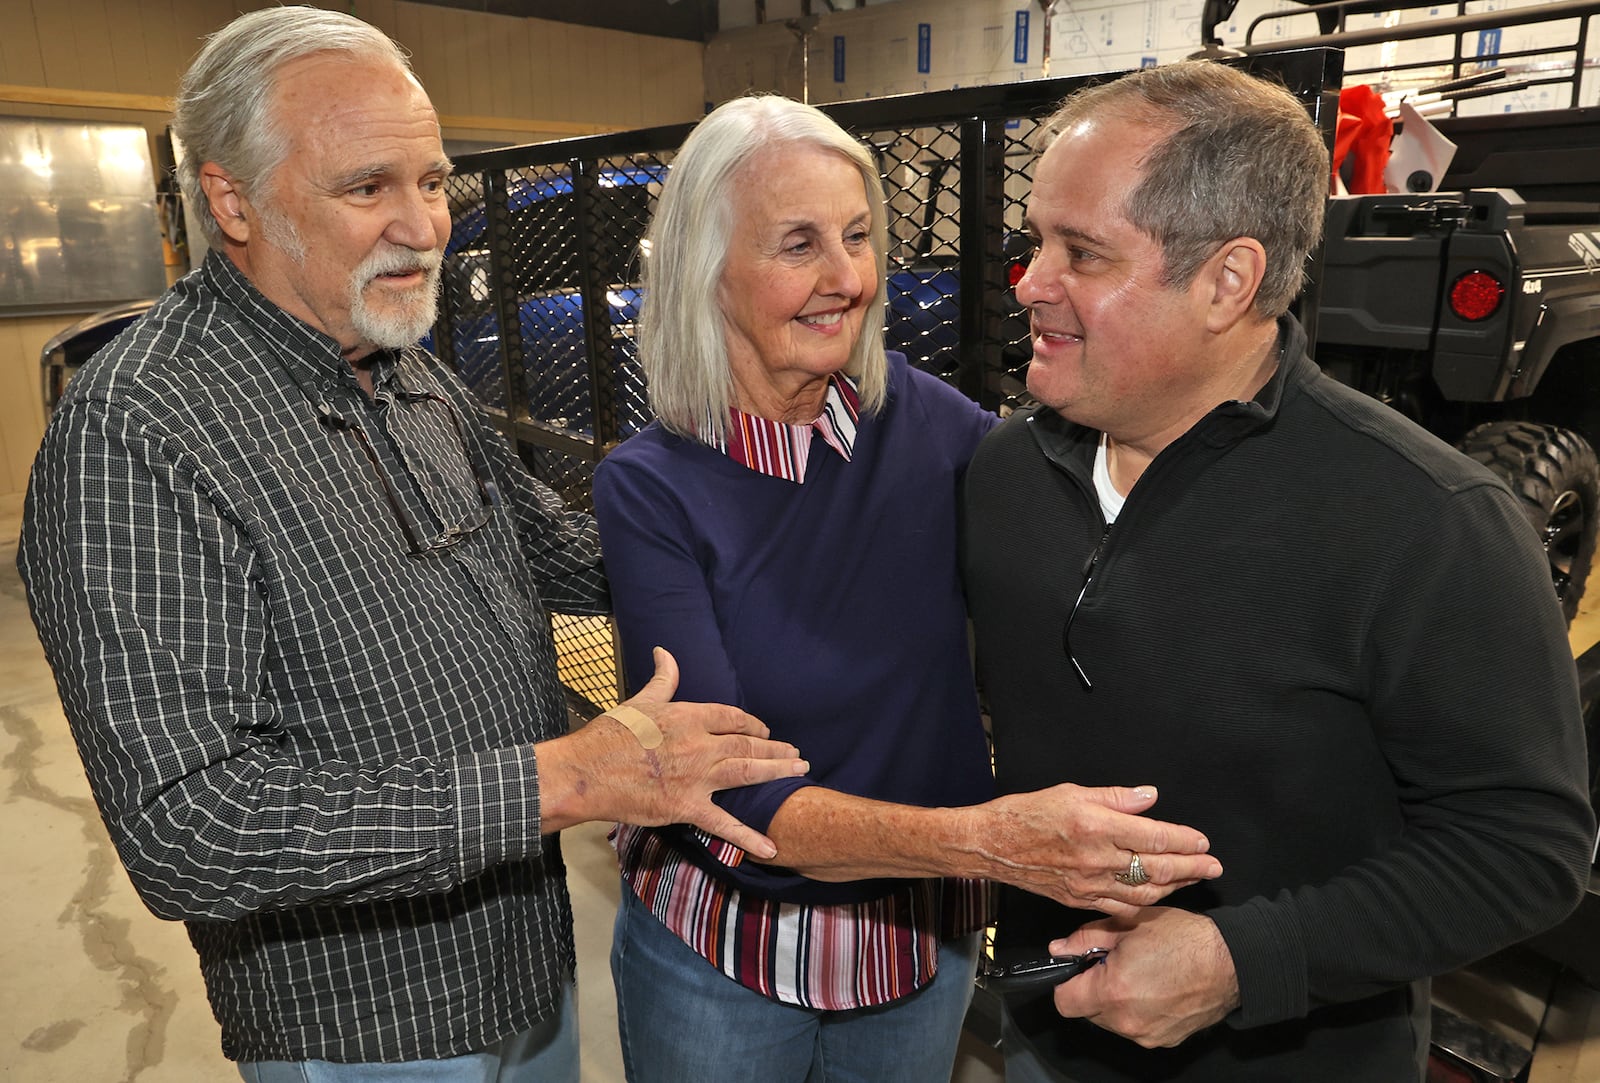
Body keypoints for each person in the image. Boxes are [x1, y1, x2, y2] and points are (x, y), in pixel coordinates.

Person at [16, 8, 815, 1079]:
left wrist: (788, 528)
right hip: (368, 1030)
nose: (426, 226)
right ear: (231, 200)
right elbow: (188, 826)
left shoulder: (405, 367)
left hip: (521, 970)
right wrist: (565, 781)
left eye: (433, 182)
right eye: (367, 188)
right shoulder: (142, 429)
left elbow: (558, 550)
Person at [961, 59, 1597, 1083]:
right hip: (1049, 1042)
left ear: (1226, 281)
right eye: (1035, 241)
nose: (1029, 282)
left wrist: (1237, 961)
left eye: (1080, 252)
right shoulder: (1005, 471)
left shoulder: (1425, 524)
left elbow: (1523, 850)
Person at [590, 94, 1224, 1083]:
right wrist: (993, 844)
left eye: (856, 236)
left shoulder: (936, 430)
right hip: (727, 953)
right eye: (798, 244)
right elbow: (723, 790)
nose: (846, 278)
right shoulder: (652, 486)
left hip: (914, 945)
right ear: (704, 272)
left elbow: (1101, 538)